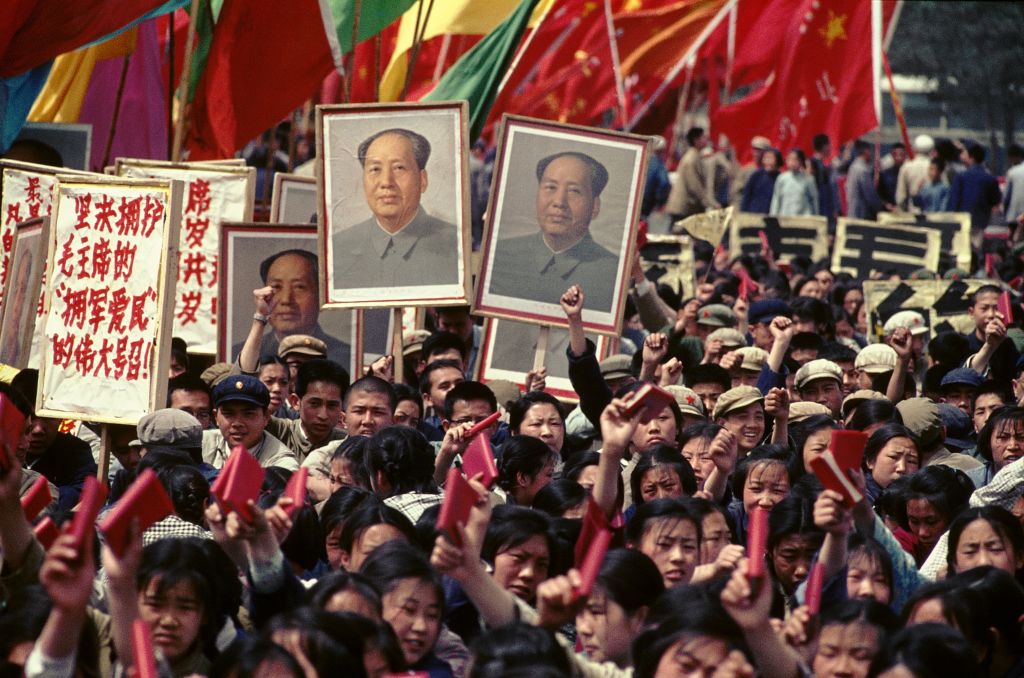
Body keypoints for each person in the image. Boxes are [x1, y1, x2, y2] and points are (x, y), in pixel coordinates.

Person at [488, 150, 619, 312]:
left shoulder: (613, 273)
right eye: (550, 187)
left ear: (595, 206)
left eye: (573, 191)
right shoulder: (500, 256)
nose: (559, 202)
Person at [331, 128, 459, 289]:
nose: (386, 182)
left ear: (423, 180)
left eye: (399, 168)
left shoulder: (455, 245)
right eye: (375, 169)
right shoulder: (338, 248)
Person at [232, 251, 351, 367]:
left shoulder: (346, 357)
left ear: (321, 296)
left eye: (299, 287)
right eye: (276, 287)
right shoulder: (238, 355)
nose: (286, 300)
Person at [201, 374, 299, 470]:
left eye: (248, 414)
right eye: (229, 414)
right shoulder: (200, 444)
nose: (237, 423)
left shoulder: (281, 464)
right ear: (216, 417)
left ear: (266, 418)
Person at [667, 127, 718, 220]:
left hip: (686, 207)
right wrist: (709, 203)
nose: (706, 139)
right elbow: (694, 185)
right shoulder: (691, 158)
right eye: (704, 137)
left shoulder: (695, 156)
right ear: (696, 140)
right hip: (683, 208)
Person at [949, 142, 1001, 234]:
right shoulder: (990, 178)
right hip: (981, 223)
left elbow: (954, 201)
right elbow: (995, 200)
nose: (961, 156)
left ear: (971, 157)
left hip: (962, 223)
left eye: (964, 153)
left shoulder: (961, 177)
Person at [846, 140, 887, 219]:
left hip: (853, 212)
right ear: (866, 151)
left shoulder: (853, 167)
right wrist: (882, 207)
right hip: (861, 214)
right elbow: (869, 194)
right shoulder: (863, 170)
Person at [770, 148, 818, 216]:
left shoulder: (809, 179)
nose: (792, 162)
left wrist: (815, 218)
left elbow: (814, 200)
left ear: (801, 161)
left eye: (795, 160)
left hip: (804, 219)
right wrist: (773, 216)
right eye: (790, 159)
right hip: (785, 217)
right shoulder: (782, 178)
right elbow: (776, 199)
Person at [896, 134, 935, 211]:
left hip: (912, 212)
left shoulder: (906, 166)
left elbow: (901, 197)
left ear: (915, 148)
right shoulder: (936, 166)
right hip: (932, 212)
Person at [739, 148, 781, 213]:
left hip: (771, 215)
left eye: (771, 158)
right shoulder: (756, 175)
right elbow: (747, 196)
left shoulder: (780, 178)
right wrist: (743, 212)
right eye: (766, 158)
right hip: (753, 213)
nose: (768, 161)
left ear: (777, 160)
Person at [877, 142, 906, 207]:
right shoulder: (885, 174)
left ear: (905, 156)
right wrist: (886, 204)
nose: (898, 158)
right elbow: (879, 194)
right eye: (895, 154)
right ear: (892, 155)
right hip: (890, 212)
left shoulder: (909, 173)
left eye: (901, 155)